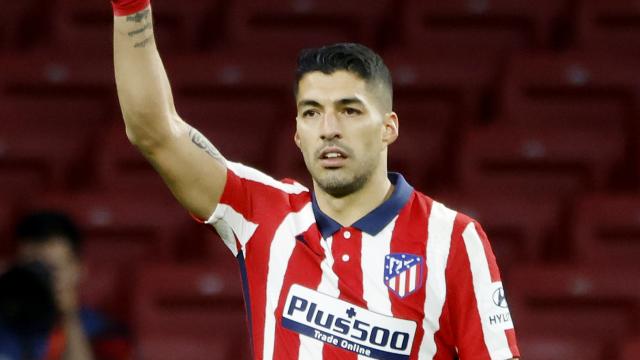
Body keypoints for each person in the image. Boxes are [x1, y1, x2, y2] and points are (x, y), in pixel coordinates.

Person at [111, 0, 521, 358]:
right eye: (311, 112)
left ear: (389, 128)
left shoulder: (453, 238)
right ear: (296, 133)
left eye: (349, 110)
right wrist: (130, 6)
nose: (328, 128)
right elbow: (155, 132)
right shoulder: (261, 213)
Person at [0, 211, 132, 360]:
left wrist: (69, 318)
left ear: (78, 269)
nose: (40, 277)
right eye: (30, 268)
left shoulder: (102, 331)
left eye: (52, 269)